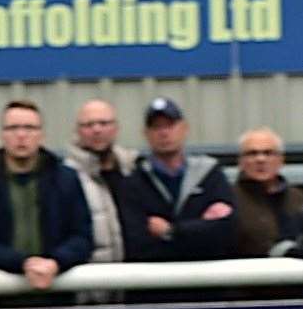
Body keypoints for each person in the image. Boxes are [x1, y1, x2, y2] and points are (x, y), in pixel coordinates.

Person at [0, 102, 92, 292]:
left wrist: (56, 262)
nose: (21, 135)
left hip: (58, 292)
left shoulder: (66, 179)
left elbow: (82, 237)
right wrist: (23, 263)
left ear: (42, 135)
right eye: (13, 128)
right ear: (2, 135)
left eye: (29, 128)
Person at [118, 98, 235, 263]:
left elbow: (224, 234)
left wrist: (171, 231)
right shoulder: (133, 184)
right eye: (156, 127)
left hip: (208, 280)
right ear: (146, 134)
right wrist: (198, 231)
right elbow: (138, 246)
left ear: (184, 128)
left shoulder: (210, 176)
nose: (164, 133)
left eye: (170, 125)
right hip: (154, 282)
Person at [64, 99, 135, 266]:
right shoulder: (66, 178)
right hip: (92, 280)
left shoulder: (133, 169)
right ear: (78, 131)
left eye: (104, 123)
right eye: (88, 125)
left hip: (135, 280)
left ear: (116, 128)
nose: (97, 130)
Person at [232, 127, 302, 258]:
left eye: (268, 153)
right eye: (252, 153)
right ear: (240, 161)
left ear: (281, 160)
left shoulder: (298, 198)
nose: (260, 159)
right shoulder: (228, 199)